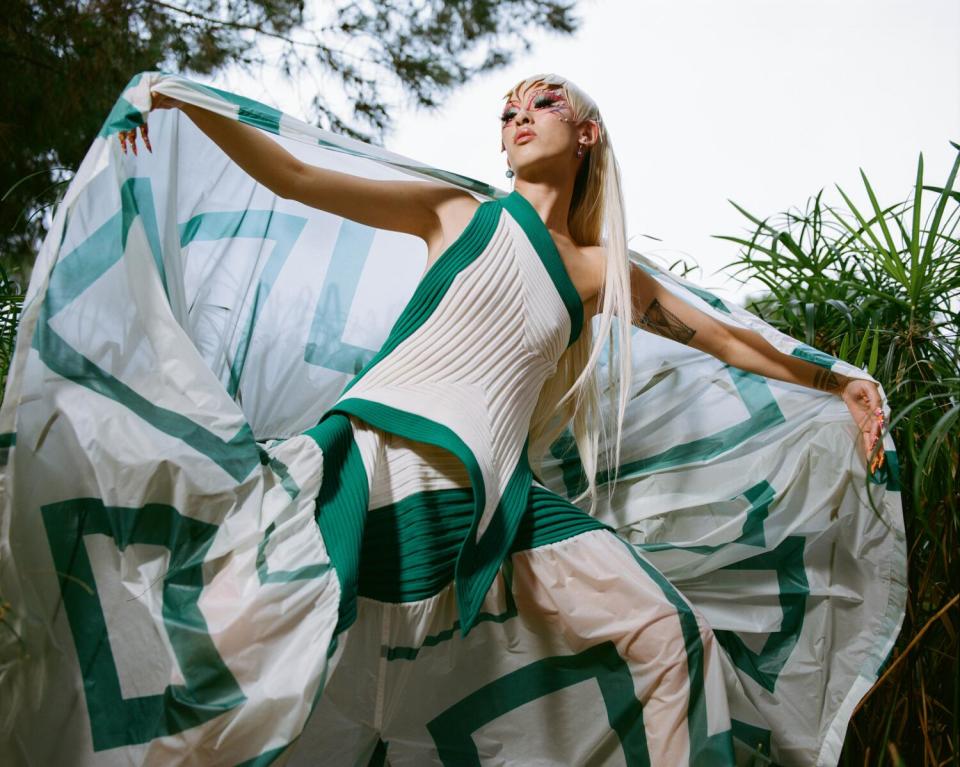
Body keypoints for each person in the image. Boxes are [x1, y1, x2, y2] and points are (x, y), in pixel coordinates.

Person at [2, 72, 895, 767]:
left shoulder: (595, 270)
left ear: (587, 134)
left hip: (498, 510)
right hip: (373, 463)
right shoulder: (457, 211)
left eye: (541, 101)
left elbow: (720, 337)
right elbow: (299, 173)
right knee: (221, 685)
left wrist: (835, 381)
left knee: (669, 633)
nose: (517, 115)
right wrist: (183, 104)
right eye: (506, 108)